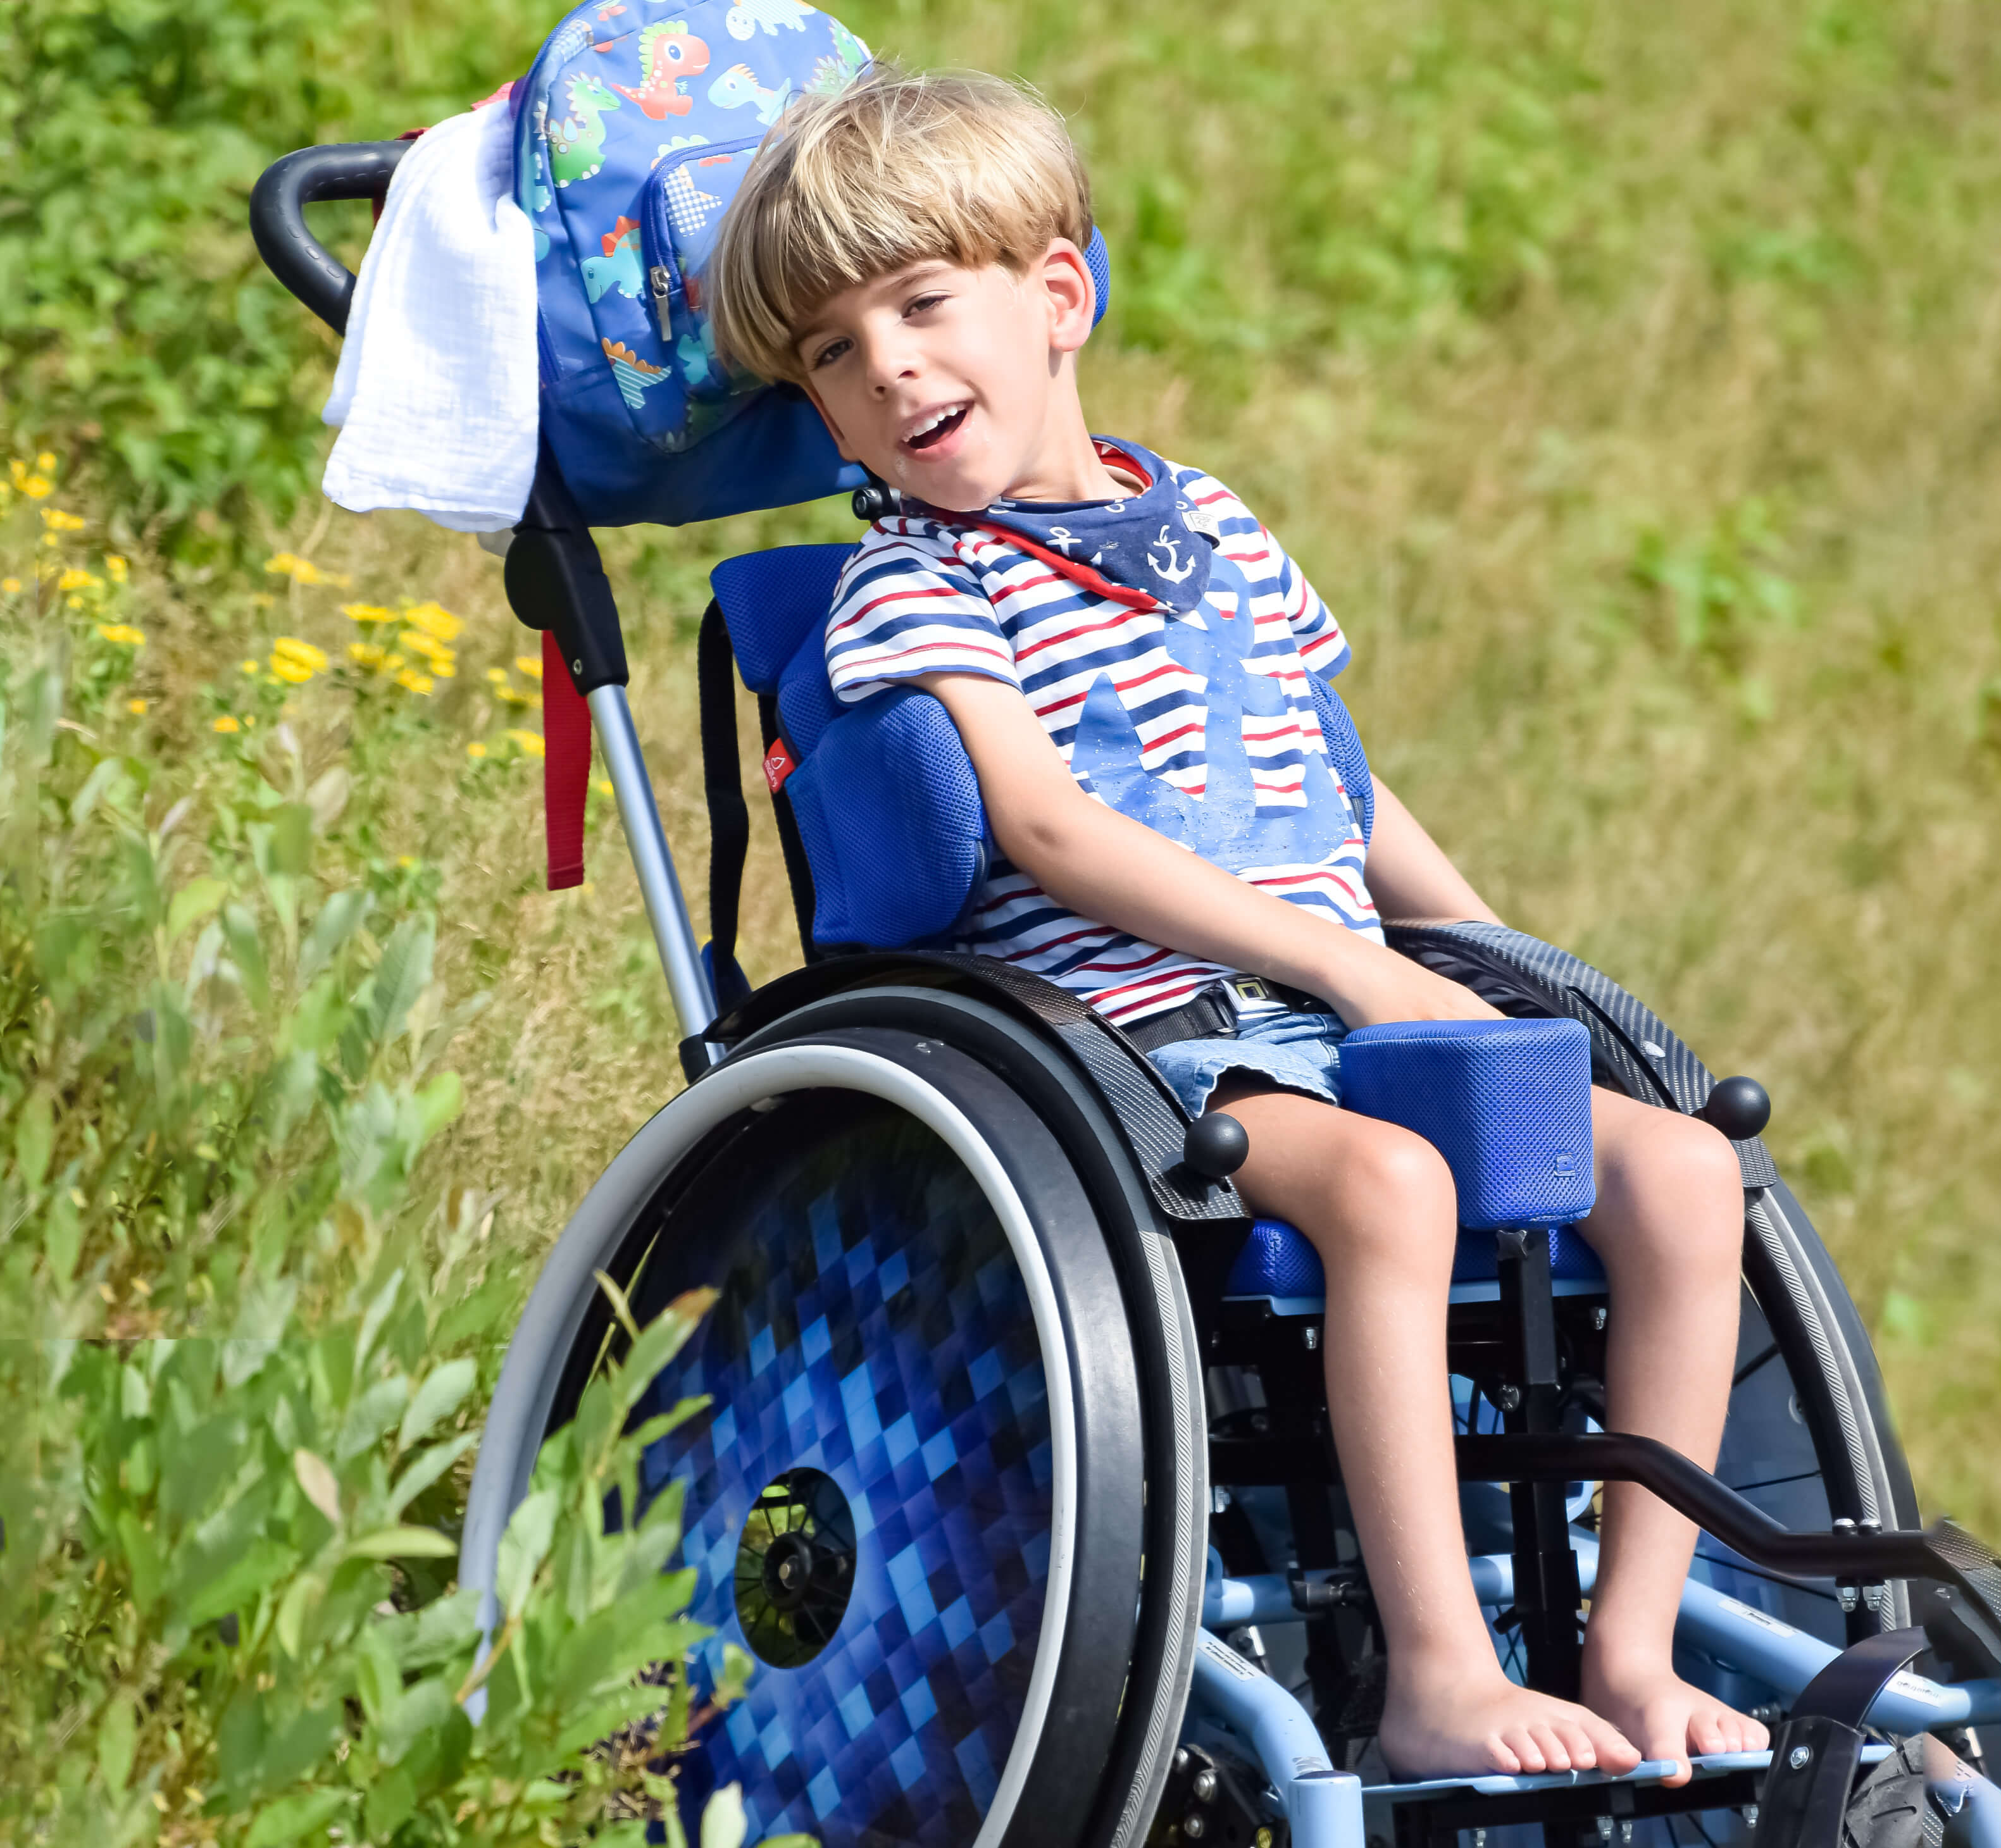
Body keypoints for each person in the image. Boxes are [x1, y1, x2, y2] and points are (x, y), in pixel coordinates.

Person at [708, 63, 1768, 1783]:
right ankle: (1434, 1669)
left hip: (1335, 1015)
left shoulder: (1212, 524)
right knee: (1392, 1185)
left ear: (1057, 295)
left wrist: (1495, 960)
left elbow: (1341, 798)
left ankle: (1632, 1645)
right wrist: (1341, 961)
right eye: (830, 351)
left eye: (917, 303)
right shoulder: (915, 582)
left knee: (1679, 1169)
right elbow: (1044, 827)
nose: (885, 365)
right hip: (1132, 1055)